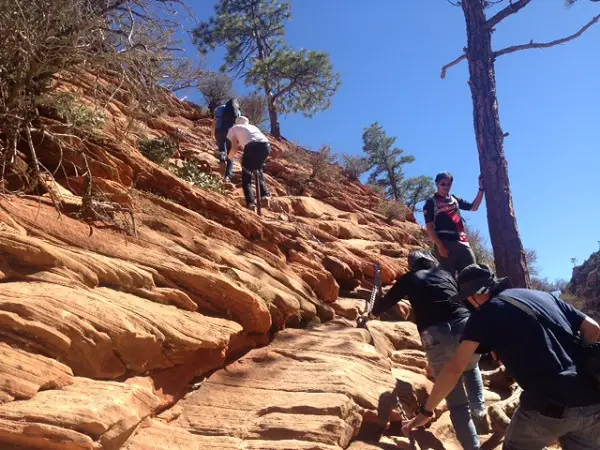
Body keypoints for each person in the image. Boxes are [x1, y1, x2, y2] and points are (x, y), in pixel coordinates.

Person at [402, 264, 600, 450]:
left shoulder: (483, 315)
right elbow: (593, 329)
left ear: (474, 295)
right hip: (592, 400)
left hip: (548, 405)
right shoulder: (543, 296)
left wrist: (426, 411)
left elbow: (455, 368)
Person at [362, 250, 489, 450]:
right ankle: (480, 408)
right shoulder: (445, 274)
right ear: (431, 262)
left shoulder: (409, 278)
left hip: (435, 333)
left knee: (456, 402)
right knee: (471, 366)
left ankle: (473, 446)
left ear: (413, 265)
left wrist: (372, 314)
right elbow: (464, 298)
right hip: (464, 324)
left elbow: (391, 299)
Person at [423, 172, 484, 277]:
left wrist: (481, 189)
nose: (446, 186)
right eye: (443, 184)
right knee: (448, 279)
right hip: (445, 243)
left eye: (449, 184)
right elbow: (429, 228)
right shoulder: (431, 202)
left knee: (472, 276)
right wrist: (440, 247)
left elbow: (474, 207)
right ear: (437, 184)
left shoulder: (454, 199)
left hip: (462, 242)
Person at [226, 116, 271, 211]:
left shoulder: (233, 128)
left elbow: (234, 148)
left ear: (236, 122)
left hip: (251, 147)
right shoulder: (253, 127)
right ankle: (264, 196)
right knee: (258, 169)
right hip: (266, 146)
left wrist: (229, 158)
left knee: (246, 179)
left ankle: (251, 203)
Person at [212, 98, 241, 182]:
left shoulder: (220, 108)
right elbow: (239, 125)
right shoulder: (238, 112)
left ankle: (222, 158)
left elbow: (215, 120)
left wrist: (213, 132)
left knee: (221, 148)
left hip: (219, 130)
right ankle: (228, 176)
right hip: (231, 132)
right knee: (231, 154)